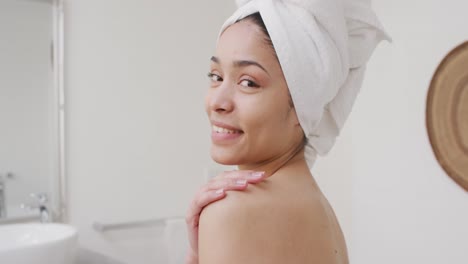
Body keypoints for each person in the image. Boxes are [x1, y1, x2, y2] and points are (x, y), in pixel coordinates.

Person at [185, 0, 389, 263]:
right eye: (216, 77)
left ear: (301, 105)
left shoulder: (232, 212)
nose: (217, 102)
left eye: (248, 82)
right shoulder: (322, 214)